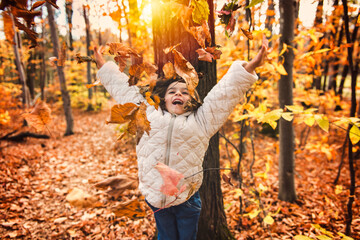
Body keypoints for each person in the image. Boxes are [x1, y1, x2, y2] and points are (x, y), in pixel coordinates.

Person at [94, 39, 268, 240]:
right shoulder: (147, 112)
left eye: (185, 92)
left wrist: (251, 65)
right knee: (165, 237)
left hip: (186, 199)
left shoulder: (202, 121)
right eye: (172, 91)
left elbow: (225, 95)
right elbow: (123, 89)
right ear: (164, 98)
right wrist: (103, 65)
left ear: (191, 100)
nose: (178, 93)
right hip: (155, 196)